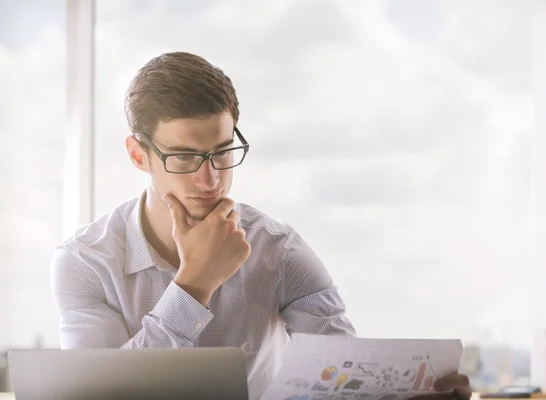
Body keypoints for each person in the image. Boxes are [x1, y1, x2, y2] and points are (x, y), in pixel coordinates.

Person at [51, 51, 471, 400]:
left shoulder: (280, 250)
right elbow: (101, 395)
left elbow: (341, 379)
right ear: (139, 155)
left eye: (222, 151)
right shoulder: (85, 261)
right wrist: (195, 283)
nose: (210, 179)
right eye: (183, 157)